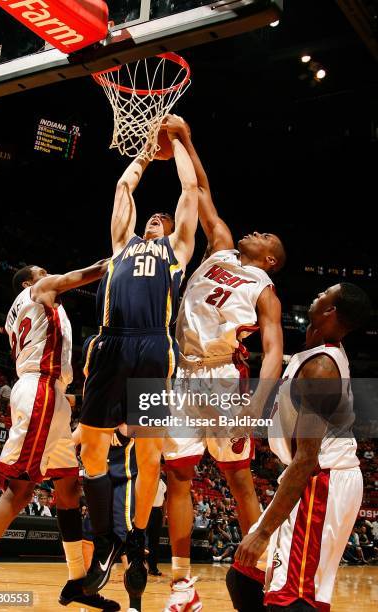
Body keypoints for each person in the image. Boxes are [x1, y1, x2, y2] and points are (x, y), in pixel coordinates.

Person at [161, 115, 285, 611]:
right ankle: (182, 583)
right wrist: (185, 138)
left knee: (237, 479)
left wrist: (257, 405)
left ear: (271, 258)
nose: (253, 231)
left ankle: (258, 567)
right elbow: (203, 190)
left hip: (221, 378)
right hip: (181, 373)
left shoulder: (265, 289)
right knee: (179, 476)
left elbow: (273, 350)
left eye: (265, 235)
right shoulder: (220, 249)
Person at [78, 126, 198, 599]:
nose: (157, 218)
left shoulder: (177, 252)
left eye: (163, 218)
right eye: (153, 216)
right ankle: (106, 540)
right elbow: (123, 187)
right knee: (91, 449)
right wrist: (148, 153)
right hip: (110, 344)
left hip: (151, 347)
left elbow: (189, 190)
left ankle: (138, 538)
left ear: (169, 231)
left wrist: (182, 144)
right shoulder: (121, 244)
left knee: (149, 456)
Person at [0, 261, 119, 611]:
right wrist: (120, 260)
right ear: (27, 282)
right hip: (40, 391)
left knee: (68, 489)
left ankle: (77, 583)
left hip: (50, 395)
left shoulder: (28, 308)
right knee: (19, 491)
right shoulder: (37, 290)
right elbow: (81, 275)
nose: (47, 272)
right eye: (40, 270)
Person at [228, 283, 371, 611]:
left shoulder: (321, 368)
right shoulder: (313, 351)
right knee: (245, 576)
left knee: (294, 599)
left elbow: (307, 458)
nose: (316, 295)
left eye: (323, 294)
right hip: (306, 476)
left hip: (319, 481)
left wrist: (264, 531)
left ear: (331, 311)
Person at [146, 475, 166, 576]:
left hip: (158, 512)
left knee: (154, 542)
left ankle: (153, 568)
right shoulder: (148, 479)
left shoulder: (163, 482)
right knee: (142, 540)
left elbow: (165, 501)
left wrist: (164, 516)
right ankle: (139, 565)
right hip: (147, 510)